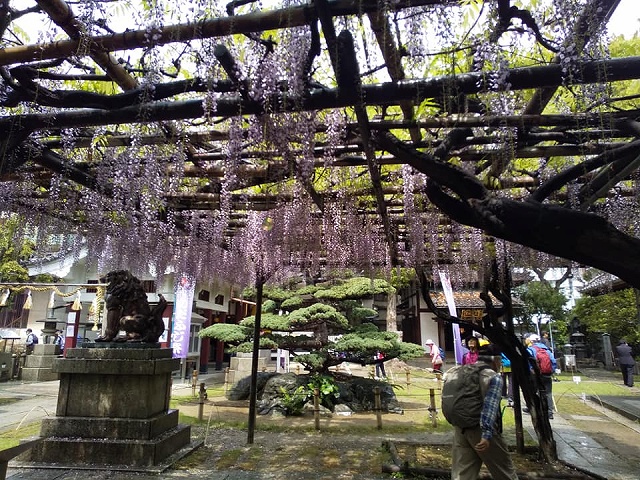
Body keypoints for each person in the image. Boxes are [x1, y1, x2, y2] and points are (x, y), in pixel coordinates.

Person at [442, 344, 519, 480]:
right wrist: (486, 434)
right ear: (496, 360)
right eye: (500, 361)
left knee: (463, 474)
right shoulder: (493, 377)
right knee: (504, 472)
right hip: (480, 430)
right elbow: (490, 407)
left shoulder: (461, 371)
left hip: (460, 428)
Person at [525, 333, 557, 419]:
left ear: (531, 341)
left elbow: (528, 362)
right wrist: (551, 371)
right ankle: (549, 412)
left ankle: (533, 408)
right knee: (548, 393)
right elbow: (553, 361)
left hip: (536, 374)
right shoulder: (547, 350)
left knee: (533, 391)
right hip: (547, 374)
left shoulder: (531, 349)